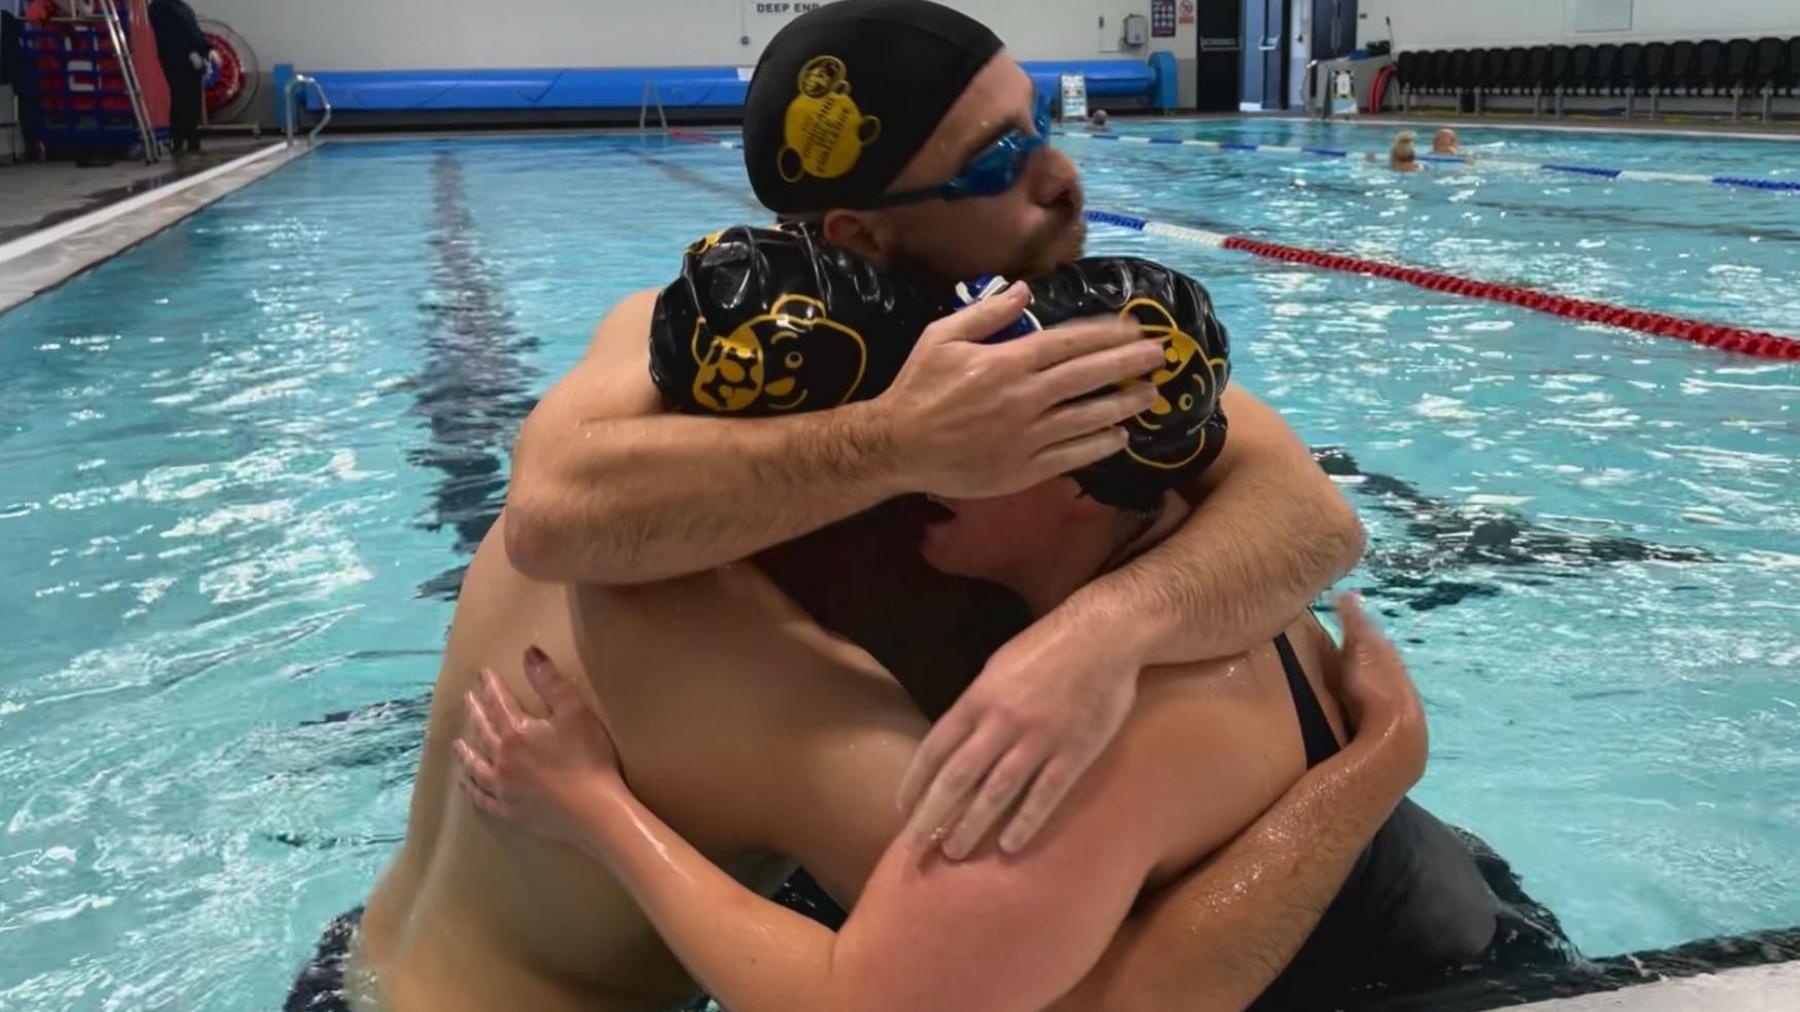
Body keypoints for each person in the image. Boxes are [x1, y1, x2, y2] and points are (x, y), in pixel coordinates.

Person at [289, 2, 1387, 1009]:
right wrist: (1373, 768)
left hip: (363, 961)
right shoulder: (788, 654)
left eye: (1042, 117)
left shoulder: (746, 353)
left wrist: (1106, 634)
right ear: (857, 234)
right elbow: (1092, 998)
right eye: (1001, 159)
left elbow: (1307, 516)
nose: (1062, 176)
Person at [452, 241, 1509, 1011]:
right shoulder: (1217, 565)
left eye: (990, 432)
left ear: (1086, 486)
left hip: (1412, 980)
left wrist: (591, 805)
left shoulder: (1084, 732)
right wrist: (1380, 764)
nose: (935, 462)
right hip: (1441, 896)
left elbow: (868, 1008)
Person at [146, 0, 210, 154]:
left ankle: (190, 138)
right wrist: (191, 52)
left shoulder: (182, 7)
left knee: (191, 99)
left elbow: (194, 31)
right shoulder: (159, 7)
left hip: (191, 57)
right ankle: (180, 139)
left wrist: (206, 51)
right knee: (181, 97)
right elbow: (171, 33)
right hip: (176, 58)